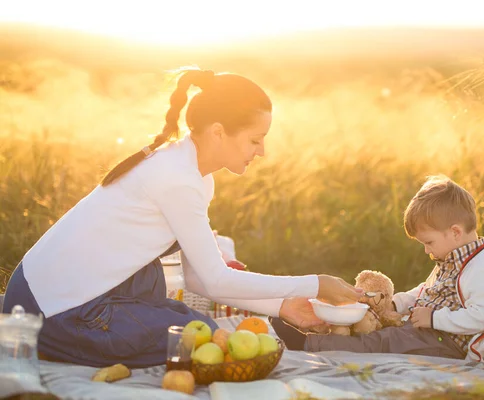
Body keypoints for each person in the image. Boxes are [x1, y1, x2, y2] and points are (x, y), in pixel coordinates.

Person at [2, 67, 361, 368]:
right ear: (218, 131)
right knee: (196, 335)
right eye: (255, 140)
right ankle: (65, 346)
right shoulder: (177, 178)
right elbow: (215, 280)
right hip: (47, 315)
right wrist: (316, 284)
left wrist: (284, 306)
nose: (262, 151)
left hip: (53, 294)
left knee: (190, 324)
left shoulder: (192, 173)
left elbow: (200, 280)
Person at [272, 175, 484, 362]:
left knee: (384, 341)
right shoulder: (453, 258)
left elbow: (481, 317)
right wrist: (397, 303)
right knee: (369, 325)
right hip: (431, 329)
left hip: (450, 345)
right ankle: (319, 331)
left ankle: (306, 344)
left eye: (429, 242)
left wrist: (434, 318)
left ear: (456, 232)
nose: (427, 251)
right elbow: (427, 291)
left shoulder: (481, 271)